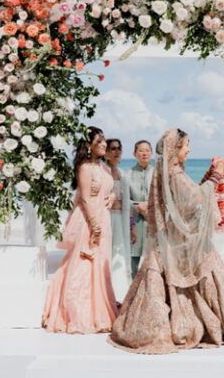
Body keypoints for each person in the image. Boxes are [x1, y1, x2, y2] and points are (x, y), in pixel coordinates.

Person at [108, 128, 224, 354]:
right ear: (176, 148)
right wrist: (217, 175)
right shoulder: (174, 173)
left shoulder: (167, 171)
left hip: (171, 237)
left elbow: (185, 197)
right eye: (186, 145)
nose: (189, 150)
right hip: (179, 241)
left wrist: (208, 176)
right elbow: (195, 200)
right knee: (208, 273)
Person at [42, 126, 118, 333]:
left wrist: (112, 196)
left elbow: (108, 188)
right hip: (89, 219)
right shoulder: (84, 167)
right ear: (89, 145)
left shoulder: (105, 167)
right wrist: (94, 225)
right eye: (99, 141)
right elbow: (84, 198)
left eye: (104, 141)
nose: (104, 145)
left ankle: (100, 312)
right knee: (83, 264)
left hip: (103, 217)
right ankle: (77, 313)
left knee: (101, 264)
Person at [104, 138, 134, 301]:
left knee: (121, 256)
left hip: (121, 221)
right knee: (107, 255)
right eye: (113, 149)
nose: (117, 152)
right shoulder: (102, 172)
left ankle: (121, 295)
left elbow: (127, 202)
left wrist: (132, 226)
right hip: (107, 219)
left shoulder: (123, 174)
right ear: (106, 153)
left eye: (119, 149)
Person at [126, 140, 154, 278]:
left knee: (154, 261)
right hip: (134, 222)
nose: (144, 153)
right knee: (133, 261)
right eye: (141, 151)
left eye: (147, 150)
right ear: (134, 154)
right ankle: (131, 293)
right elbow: (123, 199)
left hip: (153, 221)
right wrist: (137, 206)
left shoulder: (157, 174)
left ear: (152, 153)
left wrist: (150, 205)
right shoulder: (128, 174)